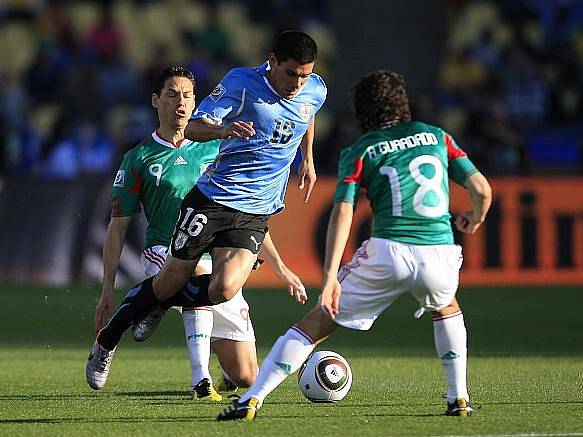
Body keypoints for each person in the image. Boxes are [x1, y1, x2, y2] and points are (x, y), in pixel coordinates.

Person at [217, 70, 493, 421]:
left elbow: (343, 212)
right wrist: (476, 216)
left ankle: (251, 399)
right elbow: (482, 189)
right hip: (439, 252)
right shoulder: (437, 136)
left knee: (317, 324)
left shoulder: (361, 150)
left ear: (363, 110)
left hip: (388, 250)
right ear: (401, 103)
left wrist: (330, 275)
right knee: (447, 307)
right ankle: (459, 398)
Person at [86, 30, 326, 390]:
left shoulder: (315, 88)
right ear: (272, 62)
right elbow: (195, 128)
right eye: (291, 73)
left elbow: (309, 112)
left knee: (226, 288)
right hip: (214, 200)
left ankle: (158, 302)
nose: (297, 83)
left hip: (256, 212)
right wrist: (224, 129)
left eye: (305, 75)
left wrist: (307, 157)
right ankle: (109, 337)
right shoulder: (241, 83)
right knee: (169, 282)